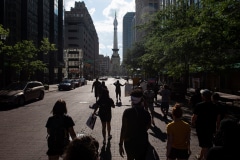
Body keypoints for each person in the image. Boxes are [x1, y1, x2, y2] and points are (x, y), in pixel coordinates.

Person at [119, 88, 151, 160]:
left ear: (132, 100)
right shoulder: (146, 113)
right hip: (142, 141)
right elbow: (148, 126)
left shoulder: (127, 112)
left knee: (129, 158)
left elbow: (123, 128)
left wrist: (120, 144)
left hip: (129, 141)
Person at [191, 89, 219, 160]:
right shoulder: (215, 106)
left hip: (201, 128)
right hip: (211, 128)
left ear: (203, 96)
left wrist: (193, 123)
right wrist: (216, 128)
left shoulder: (199, 105)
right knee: (206, 144)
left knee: (205, 145)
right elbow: (217, 119)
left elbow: (194, 117)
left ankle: (205, 158)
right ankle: (200, 157)